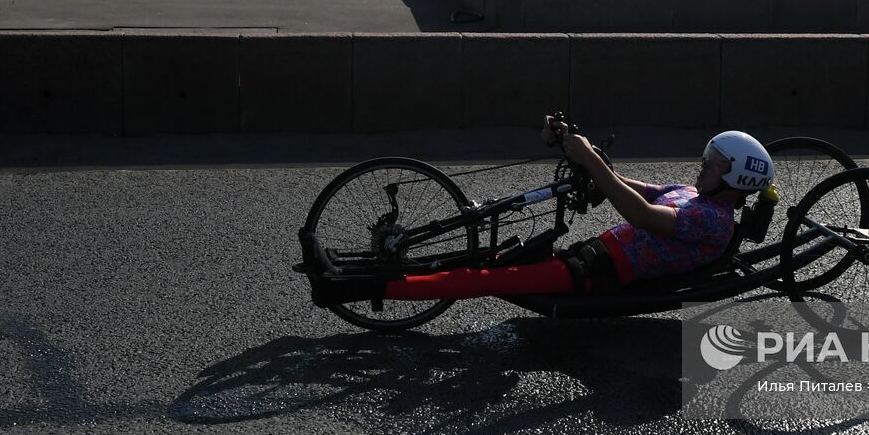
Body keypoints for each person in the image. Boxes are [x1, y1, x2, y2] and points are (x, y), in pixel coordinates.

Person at [305, 118, 774, 308]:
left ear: (738, 180)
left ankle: (342, 288)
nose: (703, 166)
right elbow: (638, 188)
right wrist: (584, 156)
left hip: (595, 276)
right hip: (591, 254)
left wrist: (593, 162)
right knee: (483, 257)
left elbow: (644, 216)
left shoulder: (714, 221)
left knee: (480, 278)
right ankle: (356, 267)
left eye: (713, 164)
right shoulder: (694, 193)